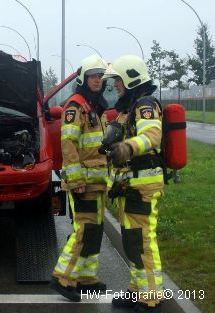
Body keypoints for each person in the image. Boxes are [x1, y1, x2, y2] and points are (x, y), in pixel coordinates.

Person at [102, 55, 164, 313]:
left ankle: (151, 298)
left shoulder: (145, 104)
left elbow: (152, 136)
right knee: (131, 240)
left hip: (143, 186)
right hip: (131, 186)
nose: (115, 84)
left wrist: (128, 147)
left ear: (131, 77)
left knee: (142, 241)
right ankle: (136, 290)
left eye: (118, 79)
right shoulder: (129, 109)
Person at [50, 54, 110, 302]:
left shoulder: (95, 105)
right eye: (93, 76)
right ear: (84, 78)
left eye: (100, 76)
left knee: (95, 231)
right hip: (82, 182)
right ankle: (62, 277)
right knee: (84, 230)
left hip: (96, 182)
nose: (97, 80)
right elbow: (69, 145)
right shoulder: (76, 106)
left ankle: (87, 279)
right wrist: (75, 180)